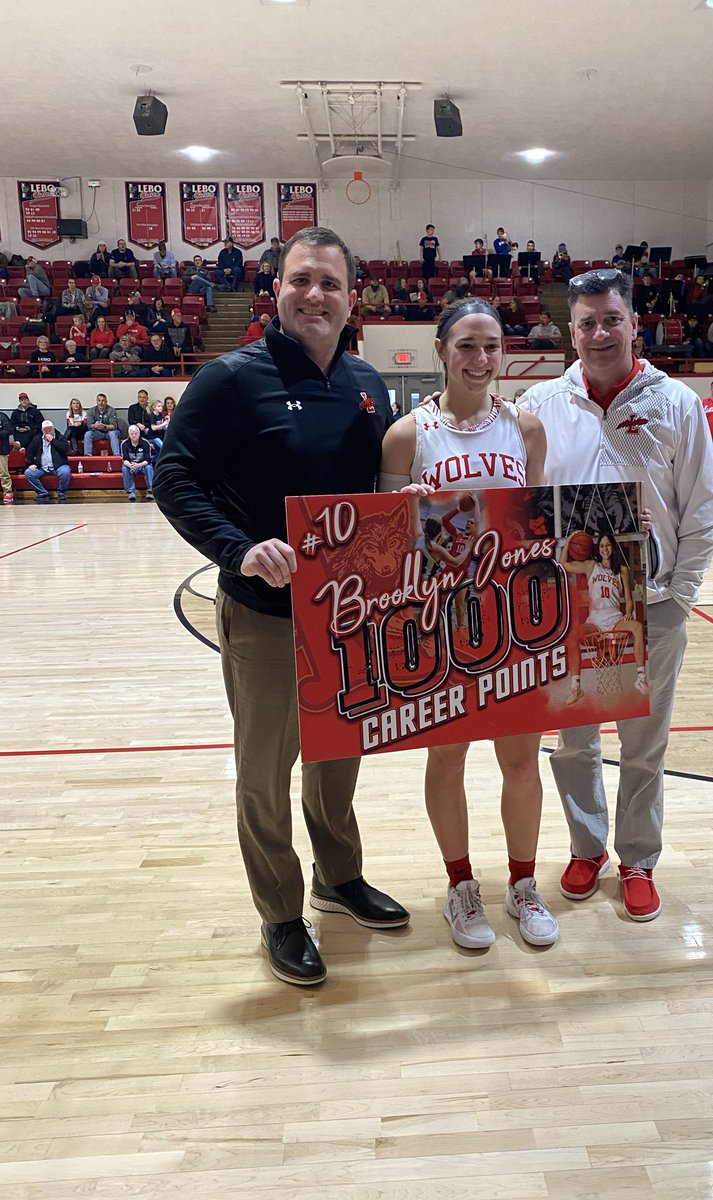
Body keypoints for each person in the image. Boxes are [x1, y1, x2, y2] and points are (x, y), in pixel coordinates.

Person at [154, 226, 410, 987]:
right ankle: (281, 912)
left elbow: (380, 493)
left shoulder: (369, 380)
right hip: (264, 617)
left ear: (352, 297)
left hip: (348, 614)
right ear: (277, 290)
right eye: (302, 280)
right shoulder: (230, 378)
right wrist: (237, 549)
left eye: (330, 283)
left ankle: (339, 877)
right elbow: (174, 479)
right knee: (265, 773)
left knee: (338, 761)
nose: (315, 295)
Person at [518, 268, 713, 922]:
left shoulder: (678, 405)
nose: (599, 333)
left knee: (644, 746)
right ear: (569, 331)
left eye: (612, 320)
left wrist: (679, 598)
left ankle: (638, 857)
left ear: (636, 324)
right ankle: (586, 848)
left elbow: (703, 514)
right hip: (575, 608)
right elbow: (526, 510)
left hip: (654, 608)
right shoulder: (543, 407)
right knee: (576, 743)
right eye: (586, 323)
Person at [377, 298, 557, 950]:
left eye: (490, 346)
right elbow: (381, 546)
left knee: (520, 759)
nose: (480, 360)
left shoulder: (527, 428)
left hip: (513, 614)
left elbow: (540, 520)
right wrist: (401, 515)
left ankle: (522, 885)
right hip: (442, 616)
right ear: (441, 350)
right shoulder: (408, 434)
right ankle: (460, 887)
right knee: (446, 756)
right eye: (467, 346)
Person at [559, 530, 649, 701]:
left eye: (608, 545)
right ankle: (576, 687)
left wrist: (628, 613)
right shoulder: (591, 566)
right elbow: (563, 564)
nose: (605, 549)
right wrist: (569, 540)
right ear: (598, 549)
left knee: (637, 627)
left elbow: (628, 599)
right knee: (572, 637)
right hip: (595, 619)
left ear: (612, 547)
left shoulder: (622, 570)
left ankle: (641, 679)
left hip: (615, 617)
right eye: (601, 545)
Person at [25, 420, 71, 504]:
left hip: (58, 465)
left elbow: (65, 449)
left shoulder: (60, 437)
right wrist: (30, 463)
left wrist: (53, 441)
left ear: (53, 429)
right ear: (42, 431)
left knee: (65, 471)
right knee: (29, 473)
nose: (48, 431)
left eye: (50, 429)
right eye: (46, 430)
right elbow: (30, 451)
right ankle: (42, 493)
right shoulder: (37, 438)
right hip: (42, 466)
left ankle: (61, 493)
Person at [121, 424, 155, 502]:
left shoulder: (145, 443)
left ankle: (150, 490)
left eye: (136, 433)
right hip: (131, 465)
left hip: (142, 465)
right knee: (124, 468)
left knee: (149, 467)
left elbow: (148, 460)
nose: (134, 435)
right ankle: (131, 491)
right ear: (129, 434)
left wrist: (139, 465)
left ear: (139, 434)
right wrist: (130, 465)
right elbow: (124, 459)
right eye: (132, 434)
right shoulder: (124, 444)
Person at [0, 408, 14, 505]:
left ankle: (8, 492)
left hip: (2, 450)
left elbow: (9, 430)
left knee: (3, 473)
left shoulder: (2, 416)